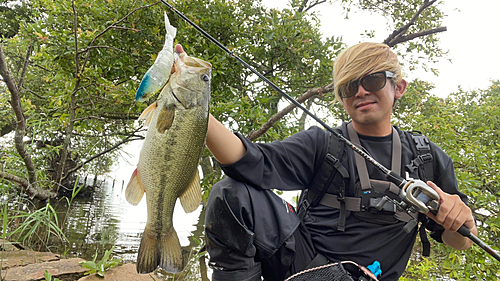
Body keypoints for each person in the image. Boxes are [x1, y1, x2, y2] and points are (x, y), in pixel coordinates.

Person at [176, 42, 477, 281]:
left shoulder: (427, 157)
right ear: (342, 98)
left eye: (372, 80)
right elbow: (250, 160)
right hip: (304, 269)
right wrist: (190, 102)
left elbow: (460, 241)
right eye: (349, 86)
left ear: (398, 87)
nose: (360, 92)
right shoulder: (323, 143)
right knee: (231, 194)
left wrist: (462, 220)